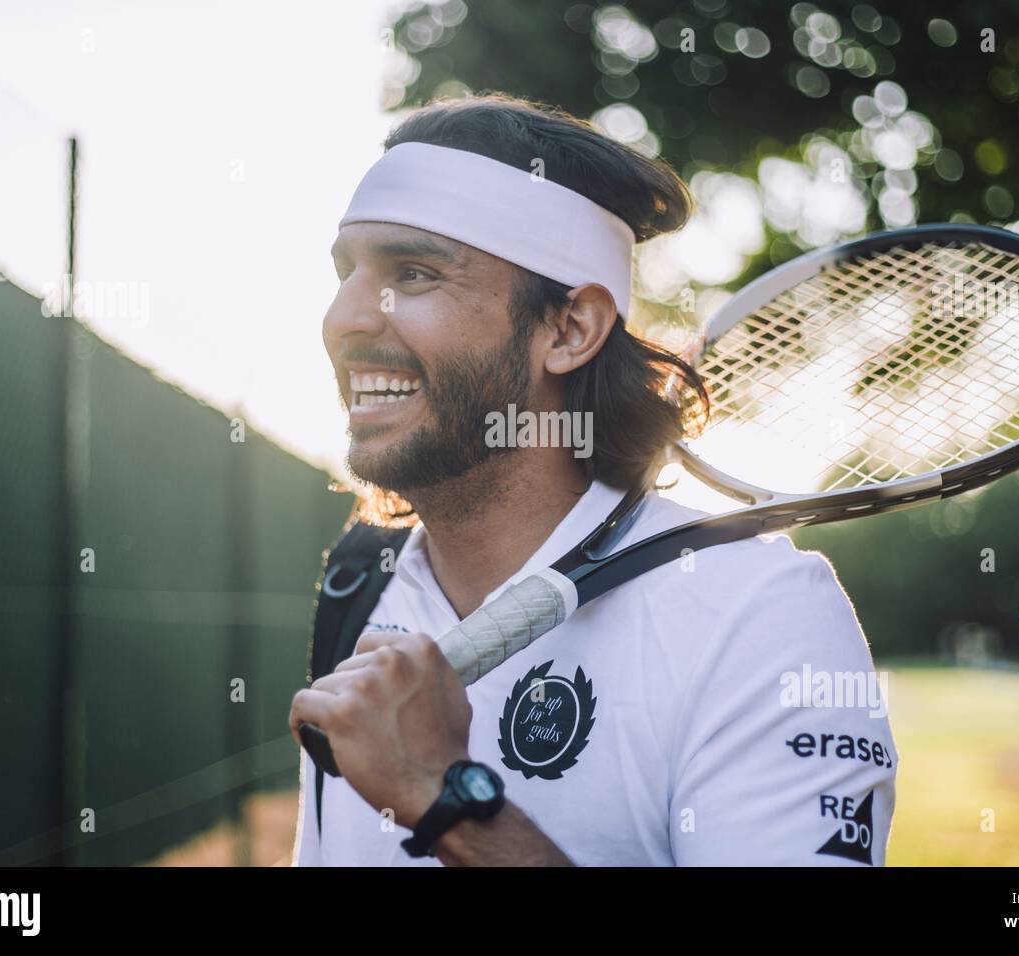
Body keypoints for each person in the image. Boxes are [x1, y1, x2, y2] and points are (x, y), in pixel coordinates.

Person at [290, 93, 897, 866]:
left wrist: (446, 800)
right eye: (347, 273)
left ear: (569, 328)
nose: (343, 319)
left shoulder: (761, 615)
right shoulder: (357, 582)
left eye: (412, 273)